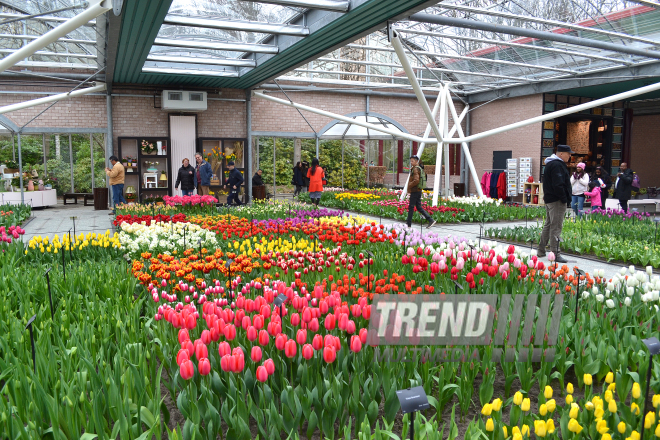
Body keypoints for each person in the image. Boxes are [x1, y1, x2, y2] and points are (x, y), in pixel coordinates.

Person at [537, 144, 573, 263]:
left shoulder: (550, 164)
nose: (570, 156)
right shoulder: (557, 165)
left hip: (550, 199)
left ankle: (541, 250)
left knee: (548, 225)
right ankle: (555, 253)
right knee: (556, 227)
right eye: (568, 154)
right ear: (561, 154)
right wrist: (564, 198)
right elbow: (558, 184)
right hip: (557, 200)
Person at [406, 155, 437, 229]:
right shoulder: (419, 168)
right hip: (418, 190)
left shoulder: (416, 169)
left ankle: (408, 224)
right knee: (418, 207)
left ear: (416, 161)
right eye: (411, 161)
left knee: (411, 207)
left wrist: (409, 185)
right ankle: (430, 220)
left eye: (412, 161)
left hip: (415, 190)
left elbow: (416, 180)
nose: (411, 162)